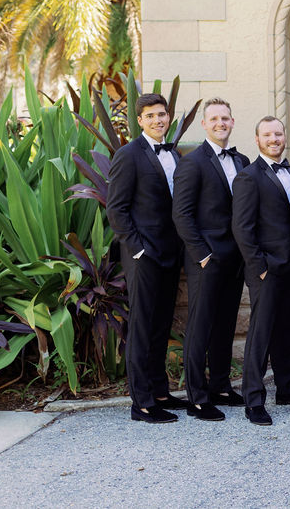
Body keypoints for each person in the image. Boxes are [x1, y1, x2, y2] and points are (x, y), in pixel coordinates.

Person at [172, 98, 251, 421]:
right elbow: (182, 214)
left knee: (225, 325)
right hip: (206, 258)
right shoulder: (192, 163)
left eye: (225, 118)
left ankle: (220, 385)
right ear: (204, 124)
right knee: (200, 327)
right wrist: (202, 255)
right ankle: (198, 396)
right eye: (214, 118)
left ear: (233, 122)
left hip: (236, 258)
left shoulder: (243, 160)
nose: (220, 123)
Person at [107, 93, 185, 424]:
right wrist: (138, 249)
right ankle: (141, 403)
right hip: (143, 256)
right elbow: (116, 208)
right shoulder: (128, 155)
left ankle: (160, 391)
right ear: (140, 120)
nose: (158, 120)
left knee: (160, 325)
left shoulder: (176, 155)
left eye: (162, 114)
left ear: (169, 117)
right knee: (141, 327)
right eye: (150, 116)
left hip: (171, 253)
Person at [231, 116, 290, 426]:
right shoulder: (248, 177)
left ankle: (287, 388)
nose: (275, 139)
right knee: (260, 335)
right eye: (268, 135)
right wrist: (258, 267)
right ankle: (254, 398)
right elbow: (242, 227)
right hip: (267, 269)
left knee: (286, 330)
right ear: (257, 139)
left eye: (279, 133)